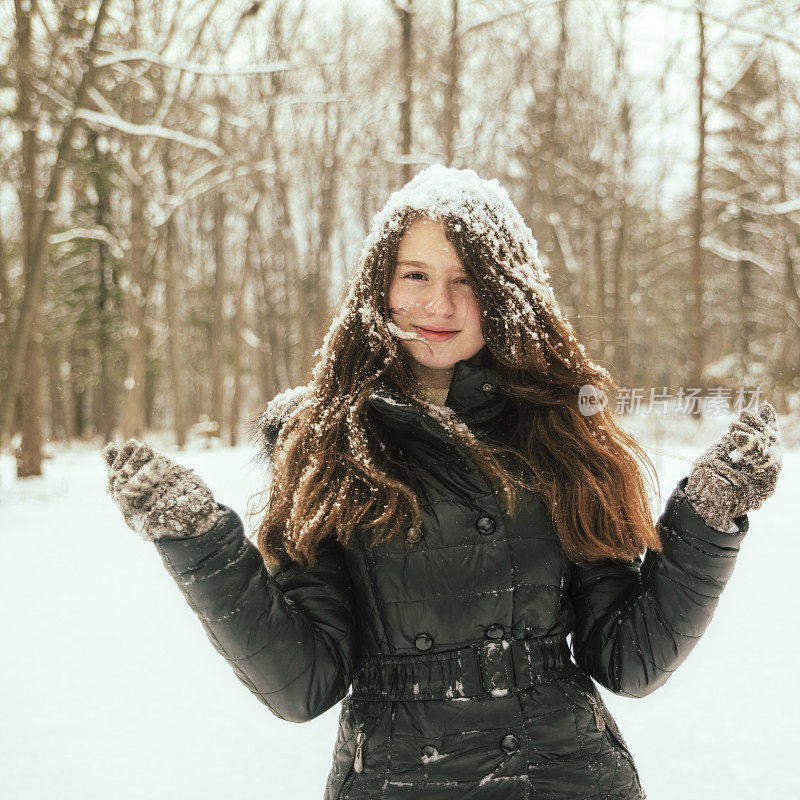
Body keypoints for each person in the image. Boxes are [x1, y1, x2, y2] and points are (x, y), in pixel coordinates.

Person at [103, 164, 782, 800]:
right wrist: (197, 540)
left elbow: (630, 658)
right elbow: (301, 683)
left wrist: (707, 517)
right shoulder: (325, 439)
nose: (439, 304)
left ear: (503, 290)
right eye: (417, 275)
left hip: (565, 774)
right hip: (401, 778)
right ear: (381, 284)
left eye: (467, 281)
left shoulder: (557, 428)